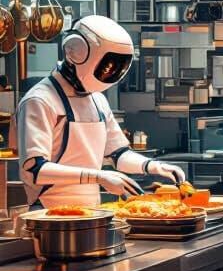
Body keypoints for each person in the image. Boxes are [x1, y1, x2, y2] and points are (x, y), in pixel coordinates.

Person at [18, 15, 186, 206]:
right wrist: (99, 177)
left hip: (92, 211)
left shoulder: (97, 100)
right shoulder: (40, 100)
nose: (110, 72)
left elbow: (118, 154)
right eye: (107, 66)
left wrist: (152, 166)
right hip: (49, 212)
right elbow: (35, 169)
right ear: (76, 51)